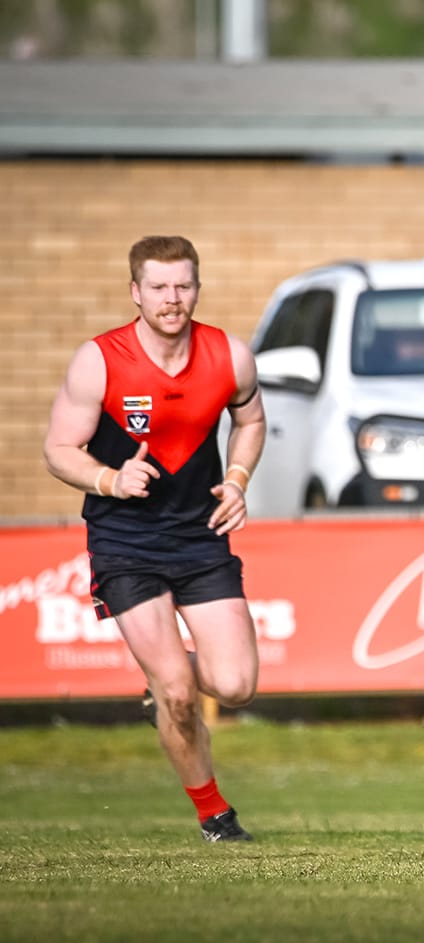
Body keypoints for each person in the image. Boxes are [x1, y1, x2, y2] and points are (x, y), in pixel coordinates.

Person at [43, 235, 266, 842]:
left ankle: (162, 677)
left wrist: (239, 479)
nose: (173, 299)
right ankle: (215, 815)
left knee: (237, 685)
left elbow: (250, 418)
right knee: (178, 692)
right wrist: (109, 478)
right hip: (125, 540)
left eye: (184, 286)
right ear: (136, 292)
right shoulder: (101, 360)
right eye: (160, 287)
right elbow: (58, 450)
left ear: (197, 287)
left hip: (200, 536)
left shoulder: (229, 355)